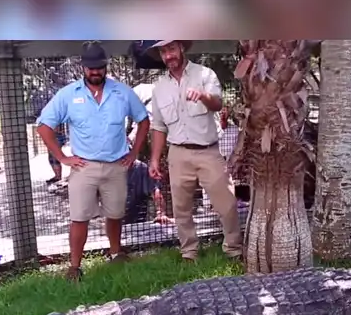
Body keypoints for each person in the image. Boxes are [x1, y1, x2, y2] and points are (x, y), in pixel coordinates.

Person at [36, 41, 150, 282]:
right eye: (90, 68)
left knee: (116, 213)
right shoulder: (68, 95)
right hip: (83, 167)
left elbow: (143, 120)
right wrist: (62, 157)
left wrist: (134, 153)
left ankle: (116, 252)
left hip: (117, 166)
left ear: (105, 66)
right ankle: (75, 266)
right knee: (79, 217)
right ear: (82, 67)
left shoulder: (121, 92)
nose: (95, 72)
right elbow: (44, 126)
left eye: (99, 67)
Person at [147, 40, 242, 262]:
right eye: (163, 51)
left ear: (181, 48)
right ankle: (189, 253)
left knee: (227, 204)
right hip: (178, 154)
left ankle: (234, 250)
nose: (168, 55)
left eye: (171, 49)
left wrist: (202, 96)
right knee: (181, 209)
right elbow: (159, 127)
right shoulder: (159, 87)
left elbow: (218, 104)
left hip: (208, 151)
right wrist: (154, 160)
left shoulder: (205, 74)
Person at [124, 158, 172, 225]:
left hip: (136, 223)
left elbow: (155, 191)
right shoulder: (108, 168)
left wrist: (160, 213)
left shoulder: (141, 168)